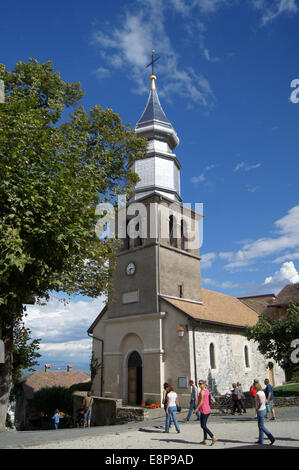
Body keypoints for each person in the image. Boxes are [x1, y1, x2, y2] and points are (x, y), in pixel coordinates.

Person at [194, 380, 218, 446]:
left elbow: (201, 402)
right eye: (199, 384)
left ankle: (213, 437)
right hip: (207, 409)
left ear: (204, 384)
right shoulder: (207, 390)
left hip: (204, 410)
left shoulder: (202, 392)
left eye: (201, 384)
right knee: (204, 425)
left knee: (203, 425)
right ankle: (205, 440)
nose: (199, 385)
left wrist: (196, 409)